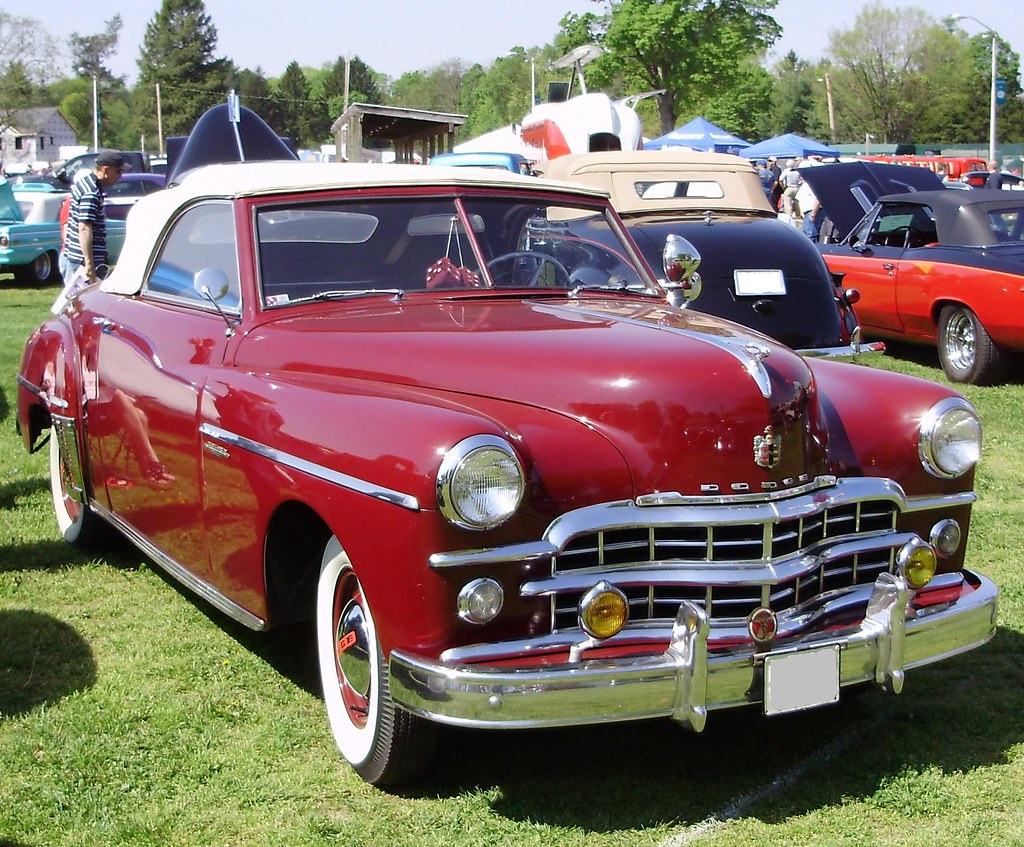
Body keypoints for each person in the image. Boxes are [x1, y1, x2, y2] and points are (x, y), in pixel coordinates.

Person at [60, 150, 129, 283]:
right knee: (87, 300)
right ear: (106, 170)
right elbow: (84, 228)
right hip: (83, 259)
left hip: (73, 254)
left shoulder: (85, 183)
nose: (120, 176)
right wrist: (89, 263)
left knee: (76, 300)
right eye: (118, 171)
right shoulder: (91, 192)